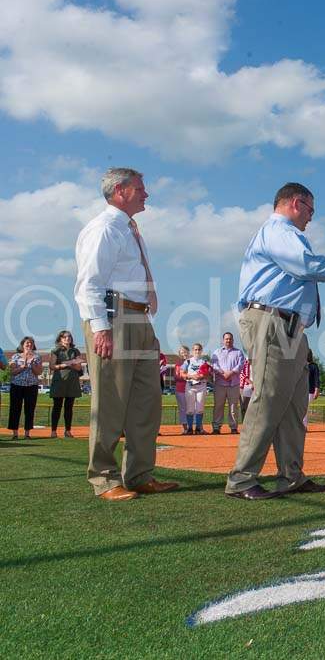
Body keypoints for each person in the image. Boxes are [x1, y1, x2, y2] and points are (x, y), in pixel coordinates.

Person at [227, 182, 325, 500]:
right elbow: (305, 265)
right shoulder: (280, 230)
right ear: (296, 203)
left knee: (294, 405)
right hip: (272, 322)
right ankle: (241, 479)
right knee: (268, 400)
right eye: (310, 210)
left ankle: (291, 475)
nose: (310, 218)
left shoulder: (284, 233)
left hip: (290, 326)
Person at [74, 167, 178, 500]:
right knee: (110, 402)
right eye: (140, 188)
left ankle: (139, 474)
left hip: (138, 318)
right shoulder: (104, 228)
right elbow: (90, 283)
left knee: (147, 400)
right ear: (120, 190)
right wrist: (100, 329)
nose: (146, 194)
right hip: (114, 317)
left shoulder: (130, 228)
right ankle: (104, 479)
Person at [49, 331, 84, 438]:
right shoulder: (56, 350)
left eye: (69, 337)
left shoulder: (75, 351)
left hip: (72, 381)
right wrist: (64, 364)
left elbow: (79, 367)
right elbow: (52, 366)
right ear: (60, 339)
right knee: (57, 406)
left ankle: (68, 431)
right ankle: (54, 431)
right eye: (65, 337)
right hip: (60, 381)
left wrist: (71, 364)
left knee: (69, 407)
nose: (67, 338)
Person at [8, 336, 43, 440]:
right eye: (27, 343)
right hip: (17, 386)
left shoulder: (37, 357)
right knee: (15, 409)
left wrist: (32, 366)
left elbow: (39, 372)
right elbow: (12, 372)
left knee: (29, 410)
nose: (29, 345)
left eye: (31, 343)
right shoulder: (16, 357)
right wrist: (22, 367)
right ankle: (15, 433)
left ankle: (27, 433)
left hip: (31, 386)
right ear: (22, 345)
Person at [211, 332, 245, 434]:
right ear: (223, 340)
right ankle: (216, 427)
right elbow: (214, 365)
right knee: (218, 406)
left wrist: (231, 373)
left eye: (230, 339)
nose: (228, 340)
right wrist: (222, 373)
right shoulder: (216, 352)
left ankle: (233, 427)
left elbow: (240, 365)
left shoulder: (238, 352)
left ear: (233, 340)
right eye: (226, 339)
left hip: (233, 384)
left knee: (233, 406)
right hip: (220, 384)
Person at [182, 343, 211, 434]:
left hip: (201, 386)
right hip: (190, 386)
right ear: (192, 351)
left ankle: (199, 428)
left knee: (200, 408)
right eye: (195, 349)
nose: (197, 351)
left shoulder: (204, 362)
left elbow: (208, 374)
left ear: (201, 351)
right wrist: (191, 376)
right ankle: (190, 429)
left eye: (199, 349)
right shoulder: (188, 361)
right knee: (190, 409)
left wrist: (202, 375)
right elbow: (182, 374)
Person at [173, 345, 190, 434]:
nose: (184, 354)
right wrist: (187, 376)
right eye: (182, 352)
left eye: (185, 352)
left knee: (192, 409)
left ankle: (193, 427)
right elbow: (176, 377)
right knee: (183, 409)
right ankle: (184, 428)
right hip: (180, 389)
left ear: (188, 353)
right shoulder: (178, 364)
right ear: (180, 354)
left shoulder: (193, 362)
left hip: (191, 389)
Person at [305, 350, 320, 428]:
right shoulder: (301, 365)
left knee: (305, 409)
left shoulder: (314, 366)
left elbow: (317, 379)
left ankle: (304, 426)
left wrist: (316, 390)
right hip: (300, 391)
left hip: (309, 391)